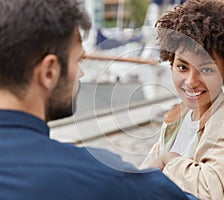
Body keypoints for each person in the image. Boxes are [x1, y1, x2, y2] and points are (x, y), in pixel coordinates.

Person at [0, 0, 198, 199]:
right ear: (49, 72)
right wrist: (147, 180)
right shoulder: (95, 177)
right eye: (78, 61)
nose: (81, 73)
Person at [140, 0, 224, 199]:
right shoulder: (179, 118)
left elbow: (210, 191)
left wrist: (169, 160)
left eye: (206, 69)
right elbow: (144, 174)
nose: (190, 81)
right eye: (182, 67)